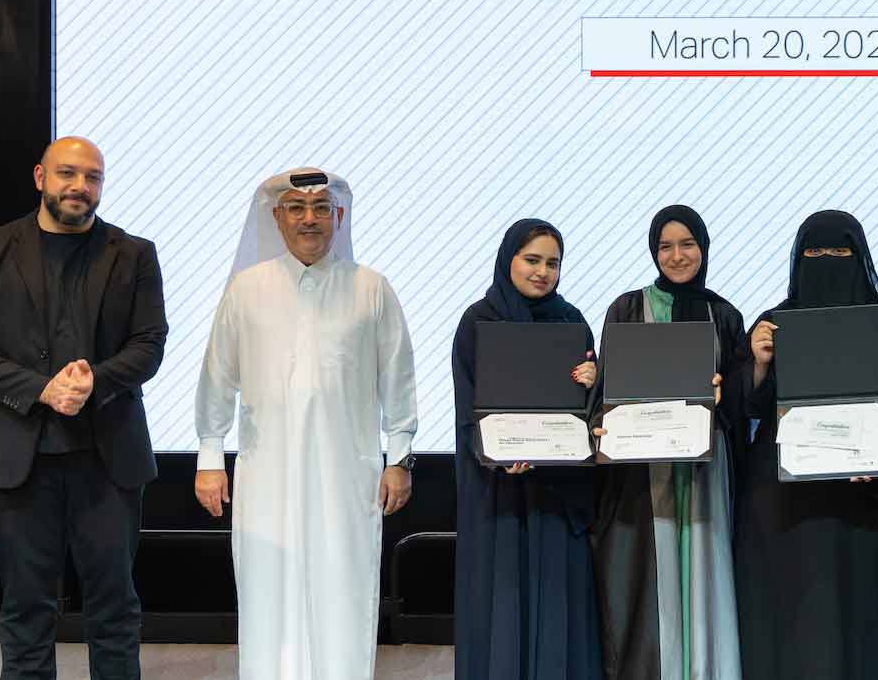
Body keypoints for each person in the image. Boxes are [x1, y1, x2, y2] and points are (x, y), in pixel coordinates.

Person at [0, 136, 168, 680]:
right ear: (40, 177)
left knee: (115, 608)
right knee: (26, 609)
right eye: (68, 173)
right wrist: (42, 389)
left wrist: (96, 381)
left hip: (108, 458)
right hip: (16, 459)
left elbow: (149, 343)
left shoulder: (134, 253)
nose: (80, 186)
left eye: (92, 177)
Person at [193, 168, 418, 680]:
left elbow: (398, 379)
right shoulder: (246, 289)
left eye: (320, 209)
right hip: (266, 473)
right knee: (268, 588)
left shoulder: (371, 288)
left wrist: (400, 459)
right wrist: (210, 458)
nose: (309, 219)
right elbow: (218, 376)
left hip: (348, 472)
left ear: (339, 216)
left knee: (344, 585)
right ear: (277, 217)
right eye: (296, 208)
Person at [734, 211, 878, 680]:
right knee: (798, 624)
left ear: (859, 258)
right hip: (789, 510)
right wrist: (758, 364)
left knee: (864, 622)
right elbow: (745, 409)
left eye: (840, 252)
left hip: (866, 506)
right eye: (814, 253)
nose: (827, 262)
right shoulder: (775, 325)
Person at [592, 205, 746, 680]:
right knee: (644, 583)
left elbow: (742, 402)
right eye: (665, 246)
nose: (677, 256)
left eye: (687, 244)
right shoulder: (627, 308)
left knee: (706, 570)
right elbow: (606, 392)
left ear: (703, 248)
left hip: (704, 473)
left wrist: (725, 393)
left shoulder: (725, 315)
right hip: (642, 476)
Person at [453, 219, 603, 680]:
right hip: (498, 493)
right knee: (502, 602)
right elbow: (468, 407)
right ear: (509, 261)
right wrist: (495, 455)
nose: (543, 272)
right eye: (532, 260)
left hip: (557, 493)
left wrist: (594, 383)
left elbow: (587, 415)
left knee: (557, 601)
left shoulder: (571, 321)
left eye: (552, 263)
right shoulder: (478, 321)